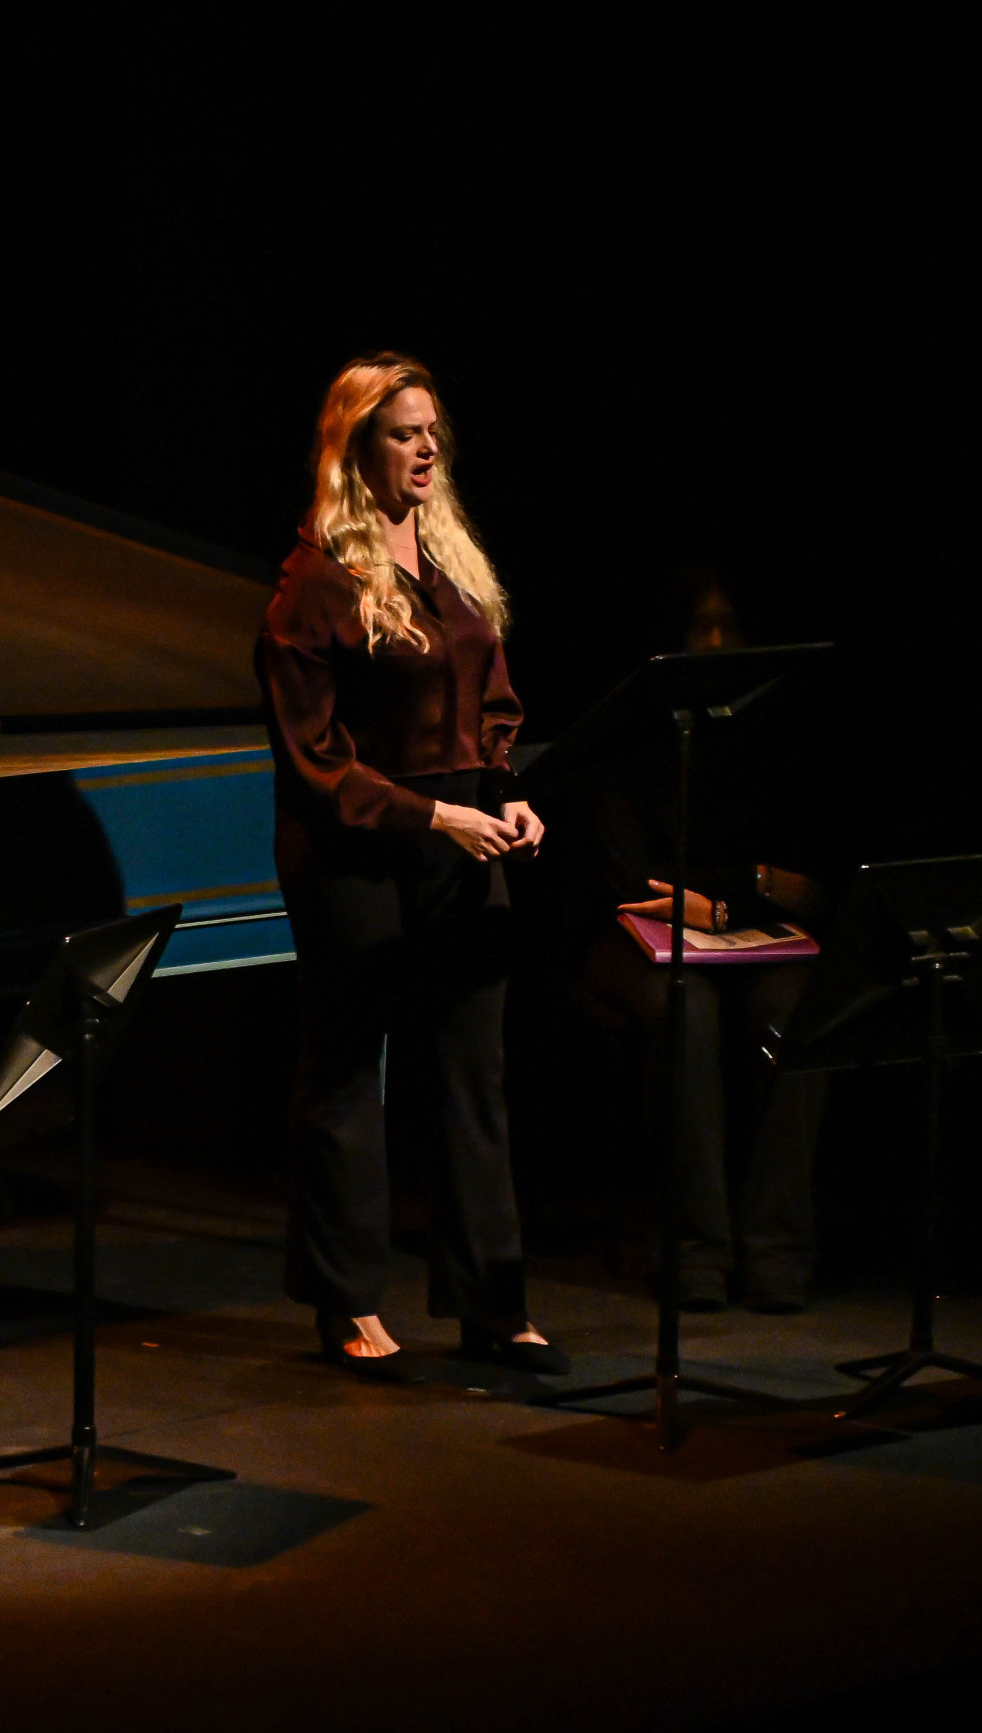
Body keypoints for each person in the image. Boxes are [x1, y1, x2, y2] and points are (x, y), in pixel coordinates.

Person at [256, 354, 568, 1382]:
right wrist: (433, 814)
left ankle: (492, 1304)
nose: (426, 448)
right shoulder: (313, 581)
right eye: (403, 433)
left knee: (471, 1074)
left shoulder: (449, 555)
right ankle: (346, 1300)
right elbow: (312, 761)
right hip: (358, 848)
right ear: (357, 449)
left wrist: (504, 788)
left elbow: (491, 696)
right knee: (349, 1069)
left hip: (462, 832)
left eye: (431, 430)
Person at [567, 572, 830, 1312]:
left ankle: (776, 1251)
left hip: (748, 936)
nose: (715, 643)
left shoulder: (778, 736)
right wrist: (746, 889)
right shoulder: (639, 732)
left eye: (729, 625)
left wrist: (722, 899)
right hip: (637, 936)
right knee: (687, 1006)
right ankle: (695, 1252)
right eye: (698, 626)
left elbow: (808, 881)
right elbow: (630, 879)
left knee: (793, 1009)